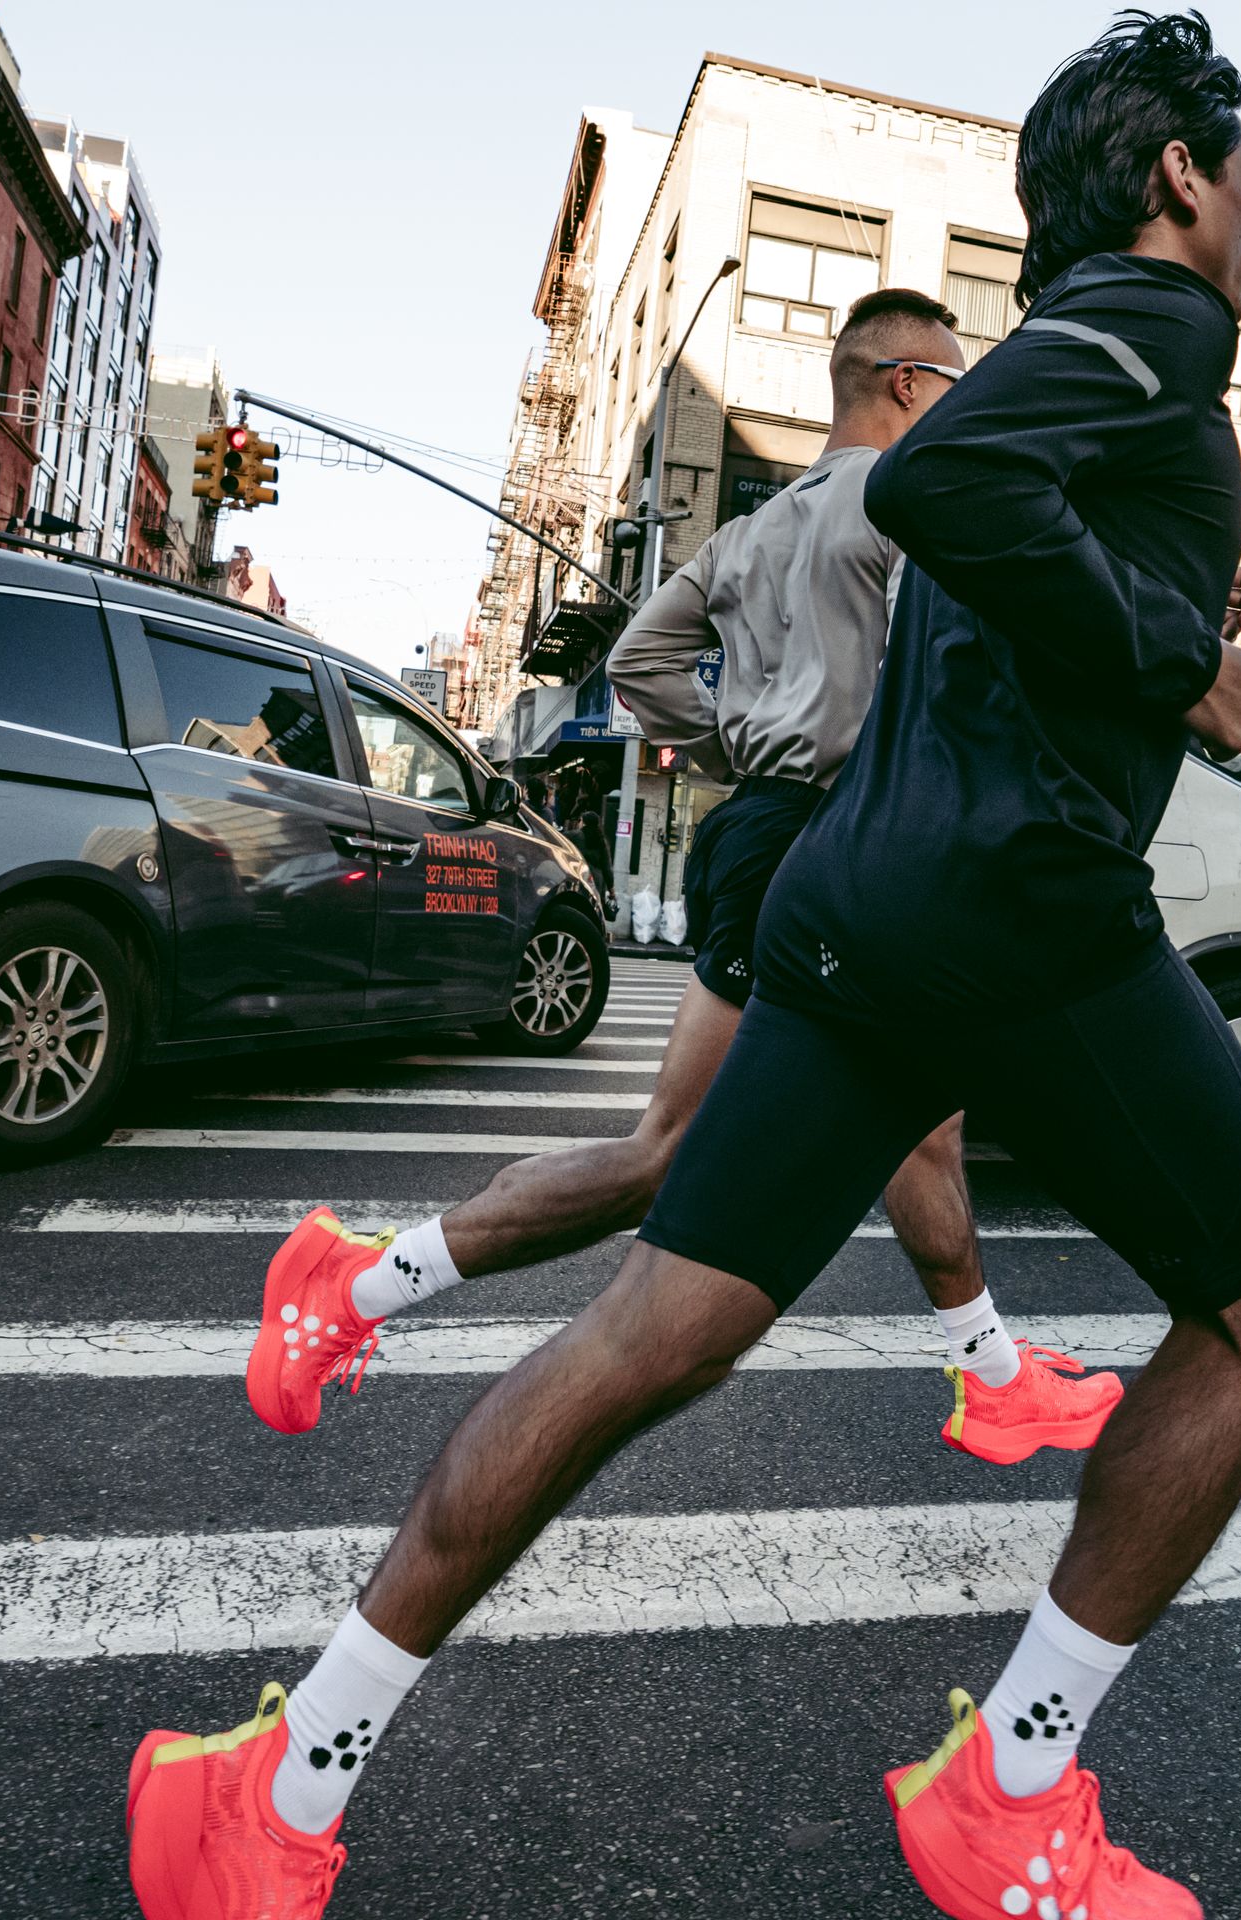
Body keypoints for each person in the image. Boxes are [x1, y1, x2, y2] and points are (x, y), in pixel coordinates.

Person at [127, 10, 1241, 1920]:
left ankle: (273, 1786)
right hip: (1016, 920)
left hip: (861, 917)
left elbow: (972, 538)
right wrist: (1179, 654)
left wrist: (1152, 599)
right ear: (1172, 181)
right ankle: (1011, 1780)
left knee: (644, 1335)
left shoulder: (1066, 357)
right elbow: (943, 486)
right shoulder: (1152, 328)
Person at [246, 289, 1122, 1467]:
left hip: (760, 827)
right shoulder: (907, 503)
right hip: (840, 837)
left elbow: (641, 658)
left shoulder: (752, 533)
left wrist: (726, 750)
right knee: (724, 1150)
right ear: (909, 382)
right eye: (956, 385)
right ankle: (357, 1288)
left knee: (884, 1125)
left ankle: (993, 1374)